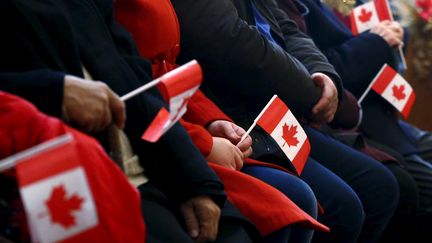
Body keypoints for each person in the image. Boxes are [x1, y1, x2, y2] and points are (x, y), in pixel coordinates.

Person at [0, 0, 258, 242]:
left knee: (243, 228)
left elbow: (134, 74)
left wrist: (192, 177)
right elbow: (224, 37)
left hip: (146, 160)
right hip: (60, 176)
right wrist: (54, 91)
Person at [171, 0, 399, 242]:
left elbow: (287, 28)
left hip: (279, 110)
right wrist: (312, 92)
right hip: (237, 113)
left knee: (380, 185)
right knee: (336, 203)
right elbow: (230, 40)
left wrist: (324, 75)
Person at [115, 0, 329, 242]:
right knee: (303, 201)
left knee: (322, 200)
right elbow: (229, 40)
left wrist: (212, 121)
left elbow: (286, 26)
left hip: (205, 114)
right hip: (149, 135)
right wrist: (203, 142)